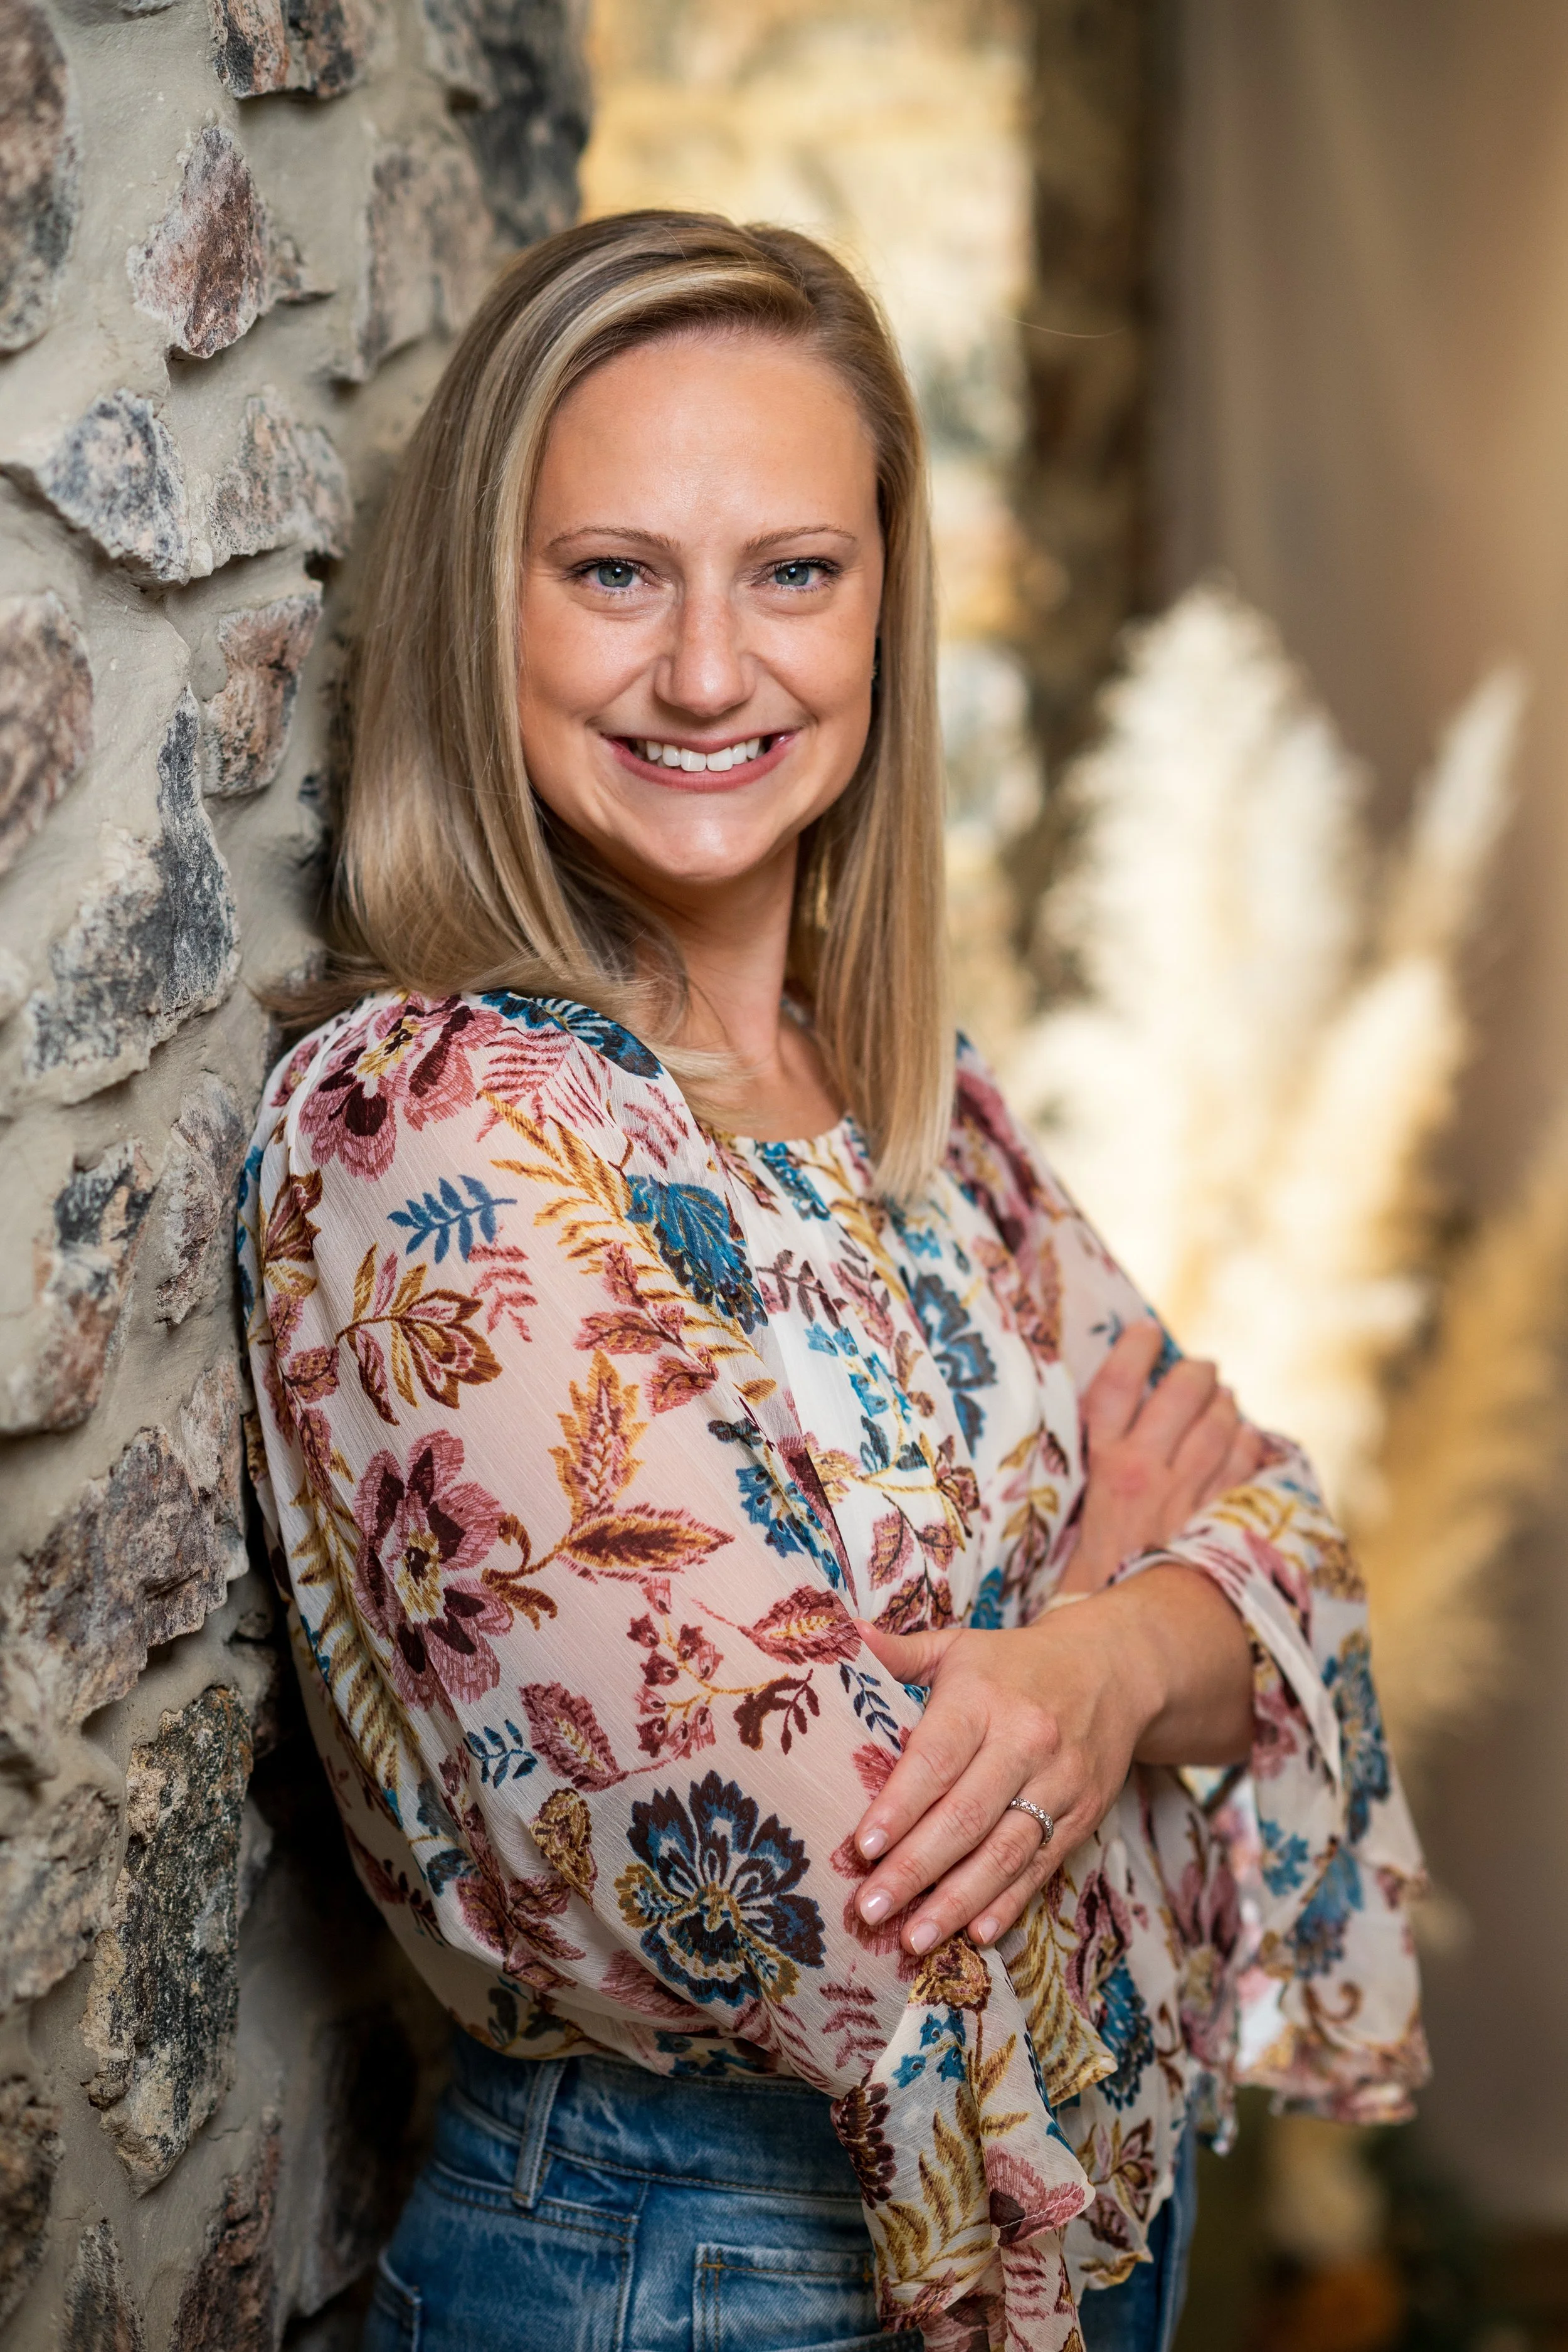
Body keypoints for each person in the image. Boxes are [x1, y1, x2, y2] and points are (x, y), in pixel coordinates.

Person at [238, 212, 1427, 2352]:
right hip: (693, 2270)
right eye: (613, 572)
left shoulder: (913, 1111)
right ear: (476, 607)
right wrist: (1133, 1601)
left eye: (791, 569)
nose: (709, 671)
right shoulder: (441, 1121)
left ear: (882, 609)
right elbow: (805, 1865)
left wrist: (1074, 1657)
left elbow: (1294, 1562)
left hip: (1057, 2237)